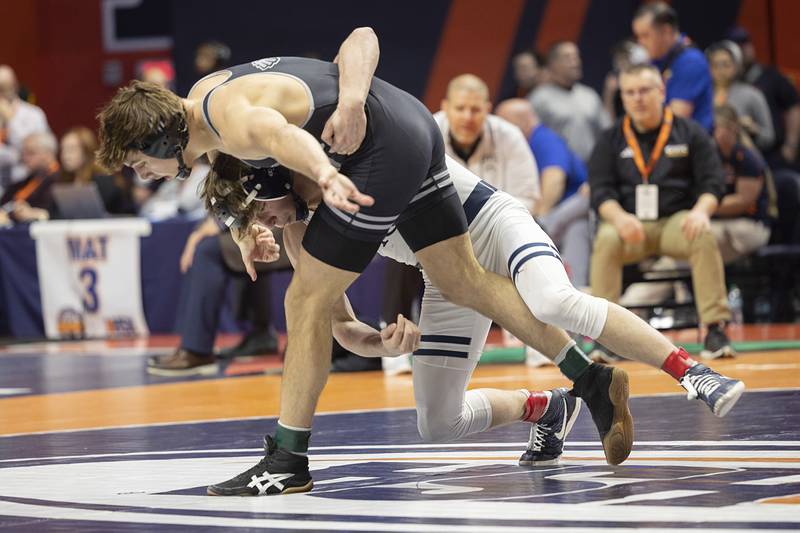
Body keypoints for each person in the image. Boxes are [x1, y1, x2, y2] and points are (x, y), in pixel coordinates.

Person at [202, 152, 745, 496]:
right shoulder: (299, 233)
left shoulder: (344, 152)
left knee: (552, 300)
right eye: (251, 224)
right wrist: (384, 342)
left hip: (489, 224)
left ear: (276, 178)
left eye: (259, 212)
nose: (265, 226)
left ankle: (690, 370)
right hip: (445, 273)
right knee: (435, 423)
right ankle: (549, 407)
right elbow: (340, 329)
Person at [588, 64, 733, 361]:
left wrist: (702, 211)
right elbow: (600, 191)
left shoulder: (689, 132)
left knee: (703, 234)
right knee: (606, 239)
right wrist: (619, 218)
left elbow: (713, 181)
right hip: (630, 224)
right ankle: (605, 337)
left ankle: (715, 328)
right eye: (630, 92)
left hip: (675, 221)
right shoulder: (610, 138)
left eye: (644, 90)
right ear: (623, 98)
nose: (637, 98)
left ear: (661, 92)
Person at [495, 98, 591, 288]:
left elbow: (554, 179)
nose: (499, 129)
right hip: (569, 223)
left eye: (503, 123)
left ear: (523, 121)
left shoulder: (542, 138)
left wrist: (538, 220)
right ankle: (573, 291)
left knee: (575, 224)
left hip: (573, 206)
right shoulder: (517, 144)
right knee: (577, 229)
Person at [434, 74, 540, 214]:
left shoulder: (509, 136)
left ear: (487, 110)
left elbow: (528, 198)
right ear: (445, 107)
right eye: (460, 108)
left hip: (498, 227)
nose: (467, 117)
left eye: (475, 110)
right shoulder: (428, 135)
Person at [632, 2, 713, 131]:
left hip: (686, 147)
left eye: (645, 36)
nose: (640, 43)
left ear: (666, 31)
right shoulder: (654, 60)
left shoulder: (691, 61)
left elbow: (675, 121)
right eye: (638, 37)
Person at [731, 27, 800, 169]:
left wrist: (790, 146)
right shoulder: (726, 85)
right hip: (739, 155)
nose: (744, 50)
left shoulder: (771, 76)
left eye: (746, 43)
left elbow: (794, 107)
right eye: (738, 46)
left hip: (773, 152)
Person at [529, 41, 610, 162]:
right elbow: (531, 139)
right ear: (553, 64)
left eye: (576, 57)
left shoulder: (589, 95)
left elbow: (606, 134)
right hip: (558, 171)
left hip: (592, 170)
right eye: (568, 58)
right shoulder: (538, 99)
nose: (575, 62)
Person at [711, 104, 771, 261]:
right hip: (722, 223)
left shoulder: (747, 158)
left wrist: (705, 205)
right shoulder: (712, 155)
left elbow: (743, 202)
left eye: (719, 127)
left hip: (751, 225)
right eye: (713, 127)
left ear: (733, 128)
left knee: (702, 243)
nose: (715, 133)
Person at [707, 41, 774, 151]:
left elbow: (769, 137)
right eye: (715, 65)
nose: (720, 70)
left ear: (736, 66)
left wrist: (753, 128)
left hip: (742, 156)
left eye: (726, 64)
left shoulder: (752, 94)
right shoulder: (703, 96)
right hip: (710, 157)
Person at [59, 127, 136, 215]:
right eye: (63, 149)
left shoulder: (104, 181)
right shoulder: (61, 179)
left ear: (87, 151)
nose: (65, 156)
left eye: (71, 149)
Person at [0, 65, 50, 193]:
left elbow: (37, 150)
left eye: (4, 87)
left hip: (25, 183)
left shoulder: (33, 114)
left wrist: (11, 121)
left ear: (15, 86)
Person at [0, 131, 59, 224]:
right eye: (23, 153)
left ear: (48, 154)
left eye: (31, 153)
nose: (25, 158)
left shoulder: (61, 180)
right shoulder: (27, 180)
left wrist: (32, 213)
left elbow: (52, 212)